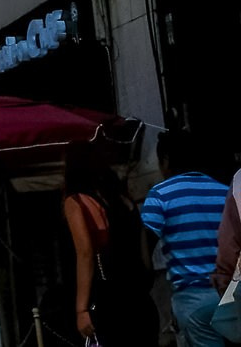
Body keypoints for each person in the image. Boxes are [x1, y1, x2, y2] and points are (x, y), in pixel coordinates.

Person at [141, 131, 230, 347]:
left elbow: (144, 249)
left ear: (167, 160)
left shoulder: (161, 194)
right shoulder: (225, 192)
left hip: (193, 300)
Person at [63, 150, 158, 345]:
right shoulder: (124, 199)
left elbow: (85, 253)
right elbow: (143, 248)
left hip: (109, 301)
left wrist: (81, 309)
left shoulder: (77, 202)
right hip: (141, 299)